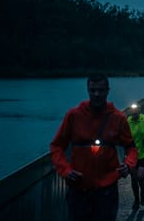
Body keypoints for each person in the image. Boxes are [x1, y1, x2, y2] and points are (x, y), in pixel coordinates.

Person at [50, 74, 138, 221]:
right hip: (79, 189)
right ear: (88, 90)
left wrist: (128, 165)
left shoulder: (118, 118)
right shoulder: (73, 116)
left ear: (107, 91)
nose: (96, 94)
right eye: (93, 90)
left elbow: (131, 148)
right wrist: (65, 170)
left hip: (107, 191)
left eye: (101, 90)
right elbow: (56, 146)